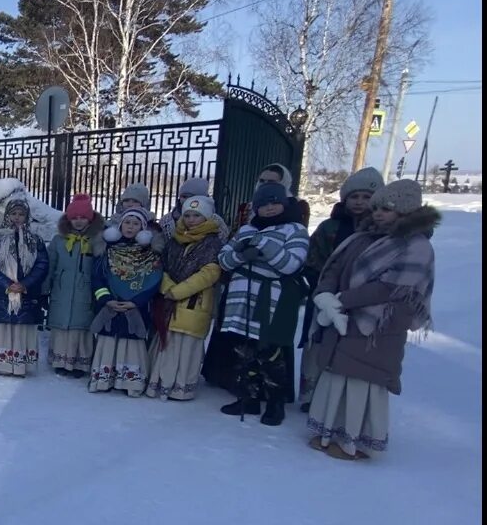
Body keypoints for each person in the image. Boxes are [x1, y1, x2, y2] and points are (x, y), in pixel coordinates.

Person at [305, 179, 437, 460]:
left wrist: (342, 300)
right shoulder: (362, 237)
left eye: (386, 209)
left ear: (406, 211)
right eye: (376, 208)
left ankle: (352, 441)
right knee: (336, 376)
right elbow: (333, 267)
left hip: (378, 327)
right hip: (342, 319)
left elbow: (393, 287)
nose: (377, 214)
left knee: (360, 383)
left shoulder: (415, 246)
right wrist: (325, 295)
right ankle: (328, 432)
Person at [216, 181, 309, 426]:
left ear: (284, 203)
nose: (268, 208)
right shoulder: (246, 229)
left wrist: (264, 247)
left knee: (270, 351)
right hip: (242, 296)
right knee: (243, 348)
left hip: (272, 297)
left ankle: (275, 401)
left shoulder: (295, 230)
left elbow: (291, 263)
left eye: (274, 203)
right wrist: (240, 254)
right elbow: (224, 259)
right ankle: (249, 397)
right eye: (263, 204)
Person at [298, 167, 382, 410]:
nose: (359, 202)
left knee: (348, 344)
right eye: (354, 197)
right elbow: (313, 255)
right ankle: (310, 393)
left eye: (366, 197)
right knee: (318, 342)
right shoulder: (330, 227)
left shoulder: (378, 230)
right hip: (325, 292)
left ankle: (337, 397)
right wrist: (322, 281)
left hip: (361, 296)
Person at [146, 195, 224, 400]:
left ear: (206, 218)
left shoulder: (213, 243)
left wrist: (179, 291)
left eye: (196, 216)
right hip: (168, 299)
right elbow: (160, 266)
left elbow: (209, 274)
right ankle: (159, 381)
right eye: (187, 215)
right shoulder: (175, 241)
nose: (190, 219)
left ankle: (180, 386)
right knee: (166, 342)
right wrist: (167, 287)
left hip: (195, 302)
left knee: (185, 344)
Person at [88, 209, 163, 395]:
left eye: (136, 223)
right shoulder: (108, 249)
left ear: (143, 228)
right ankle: (104, 380)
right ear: (120, 225)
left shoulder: (150, 253)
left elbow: (154, 280)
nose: (130, 227)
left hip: (135, 307)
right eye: (127, 222)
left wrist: (136, 301)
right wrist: (106, 299)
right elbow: (97, 277)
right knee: (109, 341)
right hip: (111, 304)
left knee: (131, 343)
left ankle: (131, 383)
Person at [0, 198, 49, 377]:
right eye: (14, 214)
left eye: (21, 214)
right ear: (7, 215)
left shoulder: (35, 241)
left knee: (22, 329)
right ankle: (4, 365)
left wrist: (25, 284)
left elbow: (42, 265)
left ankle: (21, 366)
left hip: (27, 293)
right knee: (6, 328)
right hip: (4, 294)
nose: (17, 218)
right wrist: (7, 285)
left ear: (27, 217)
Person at [43, 195, 105, 377]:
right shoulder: (58, 241)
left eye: (83, 217)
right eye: (74, 218)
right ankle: (60, 361)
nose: (78, 222)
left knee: (81, 327)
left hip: (85, 291)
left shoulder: (98, 241)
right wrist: (43, 290)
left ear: (90, 218)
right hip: (61, 291)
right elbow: (49, 266)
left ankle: (80, 362)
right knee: (62, 328)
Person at [108, 183, 166, 253]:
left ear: (144, 205)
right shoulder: (113, 221)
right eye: (126, 200)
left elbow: (158, 244)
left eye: (135, 201)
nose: (130, 204)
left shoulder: (151, 224)